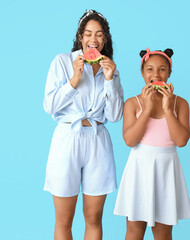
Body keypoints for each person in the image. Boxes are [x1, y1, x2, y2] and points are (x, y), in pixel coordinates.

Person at [43, 9, 124, 240]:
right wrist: (74, 80)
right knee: (64, 219)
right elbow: (49, 106)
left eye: (99, 34)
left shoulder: (112, 69)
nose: (93, 40)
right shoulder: (62, 61)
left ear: (105, 39)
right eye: (88, 33)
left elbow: (116, 115)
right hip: (68, 138)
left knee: (94, 218)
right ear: (80, 37)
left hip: (98, 141)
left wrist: (109, 81)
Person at [114, 48, 190, 240]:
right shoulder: (133, 104)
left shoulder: (180, 104)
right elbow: (130, 140)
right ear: (142, 73)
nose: (156, 74)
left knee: (163, 233)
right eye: (149, 69)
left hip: (167, 171)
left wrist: (167, 109)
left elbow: (181, 141)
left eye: (162, 70)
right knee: (134, 231)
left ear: (169, 73)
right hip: (139, 169)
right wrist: (148, 109)